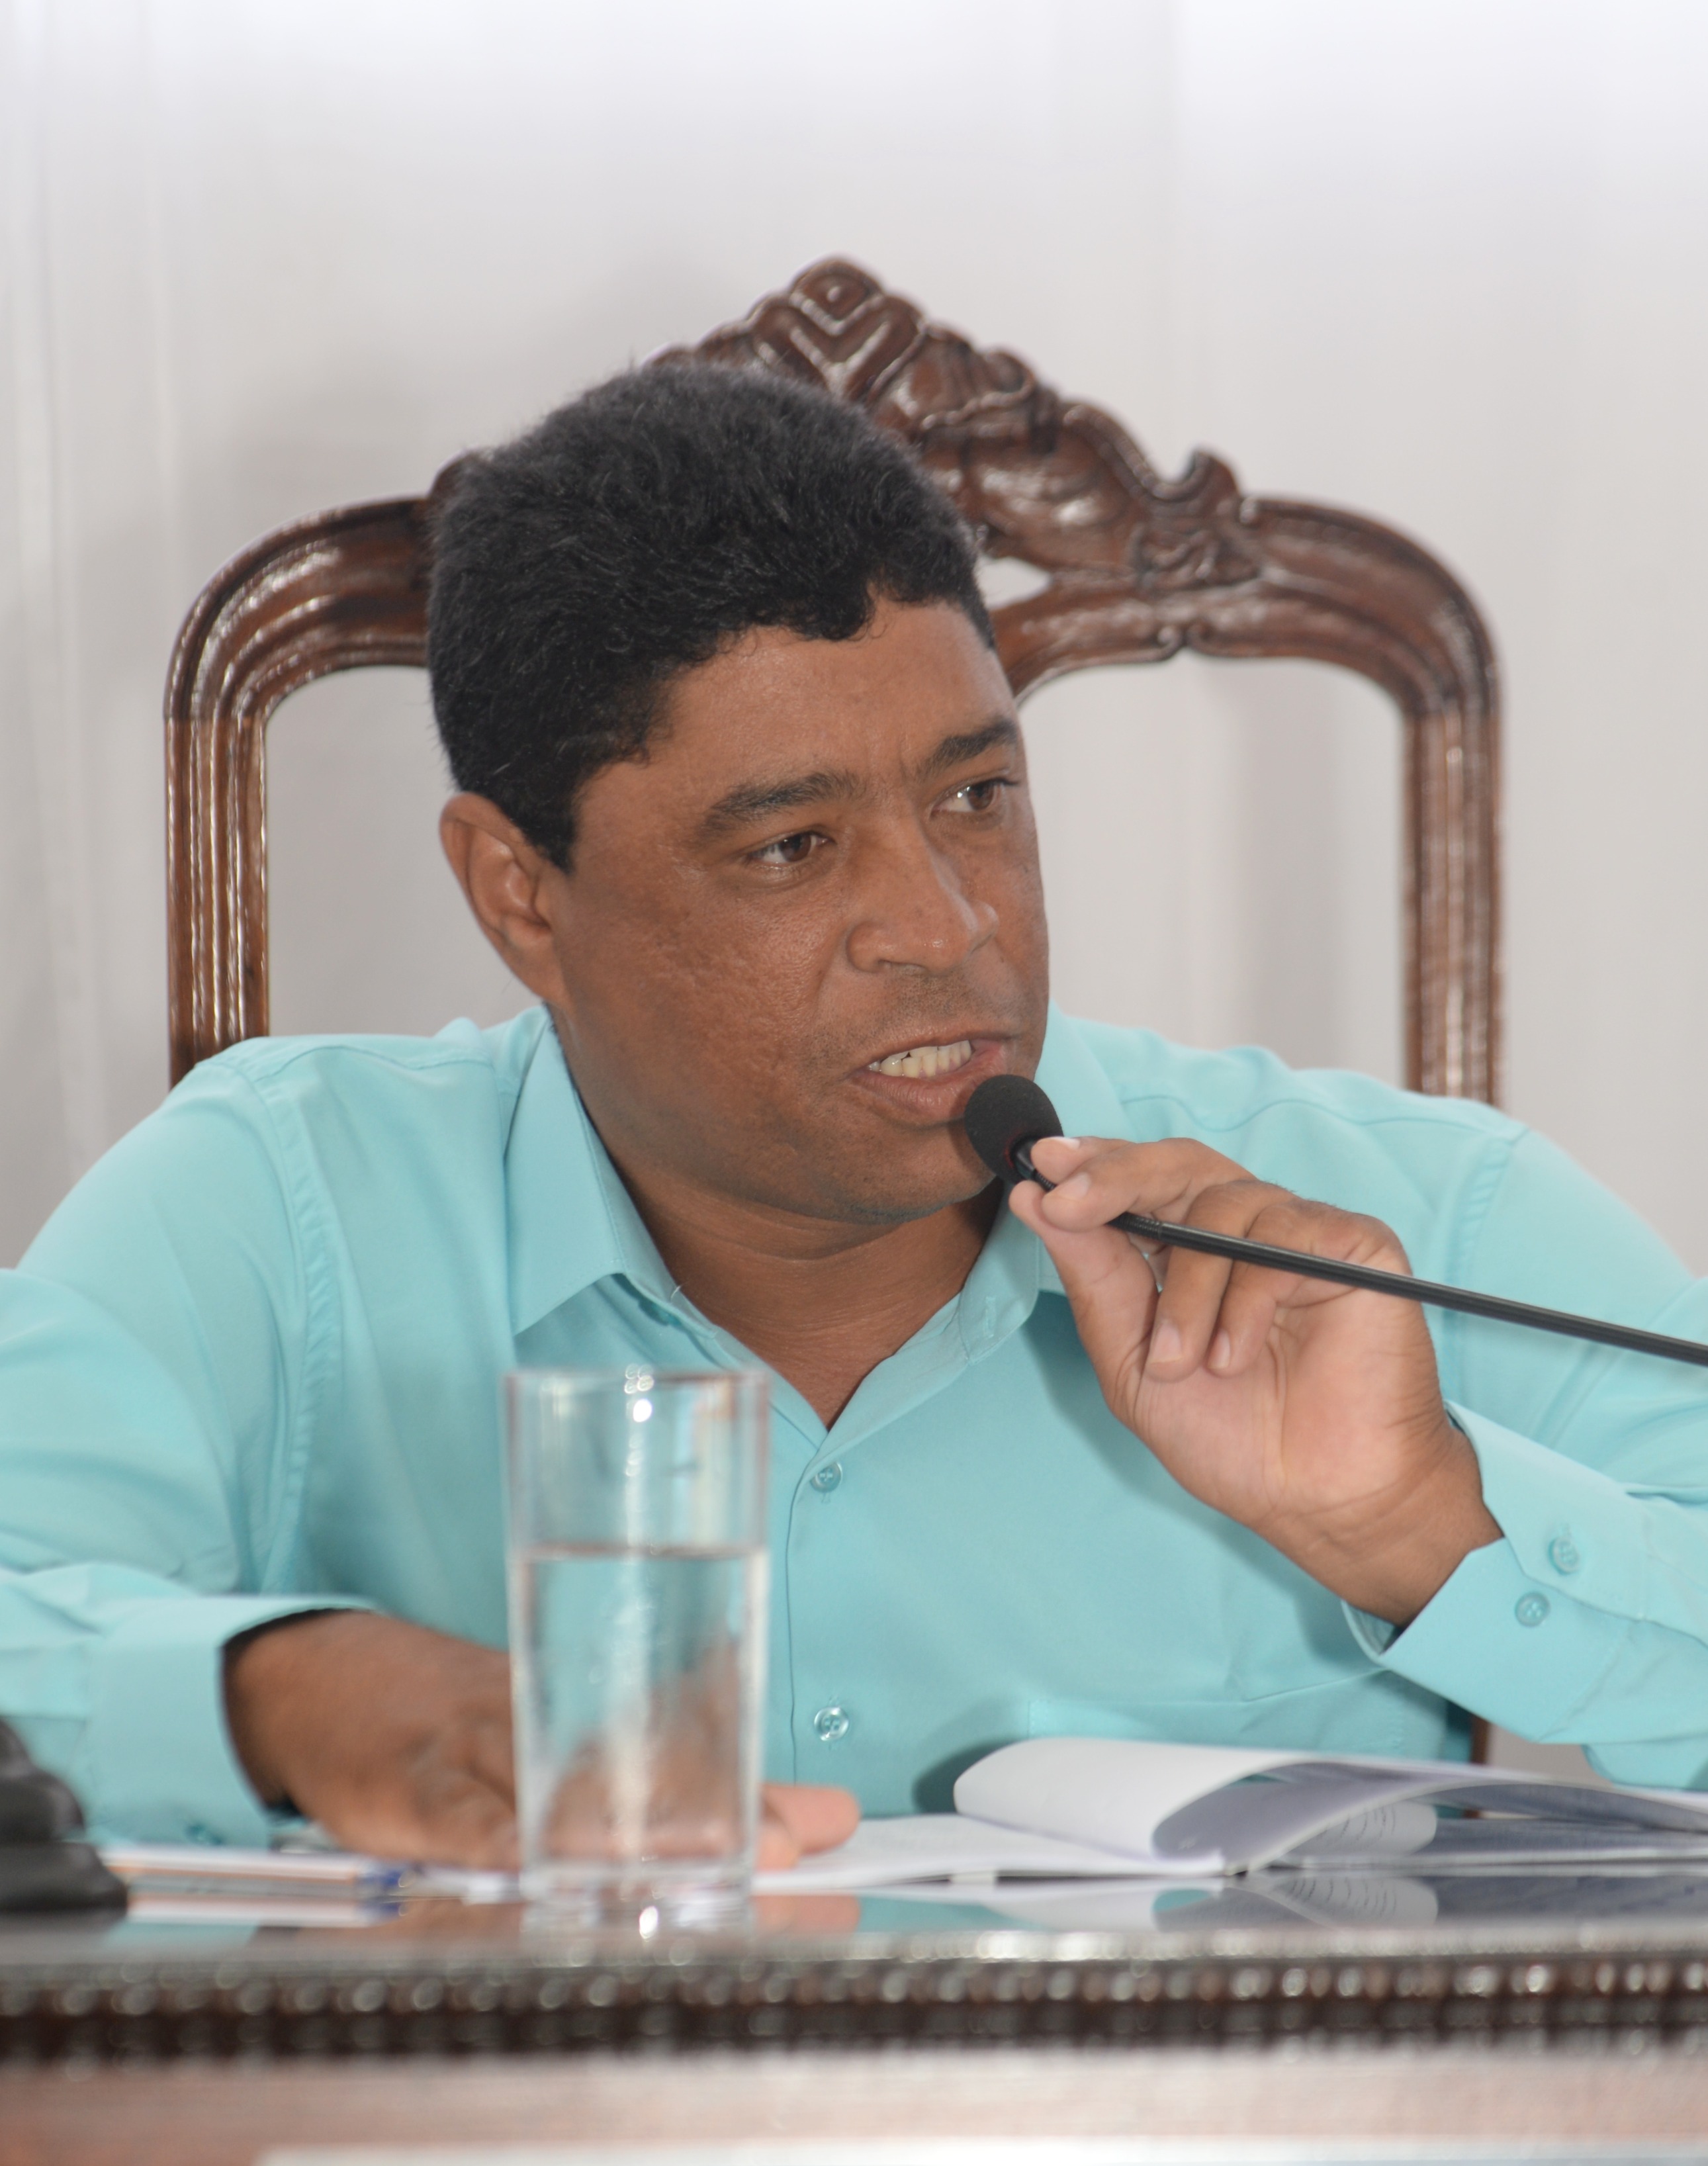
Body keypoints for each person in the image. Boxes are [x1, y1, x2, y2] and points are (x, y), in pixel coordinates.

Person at [2, 363, 1705, 1870]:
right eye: (792, 846)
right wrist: (296, 1691)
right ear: (521, 894)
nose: (946, 926)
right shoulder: (278, 1205)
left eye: (977, 795)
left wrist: (1423, 1524)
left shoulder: (1409, 1220)